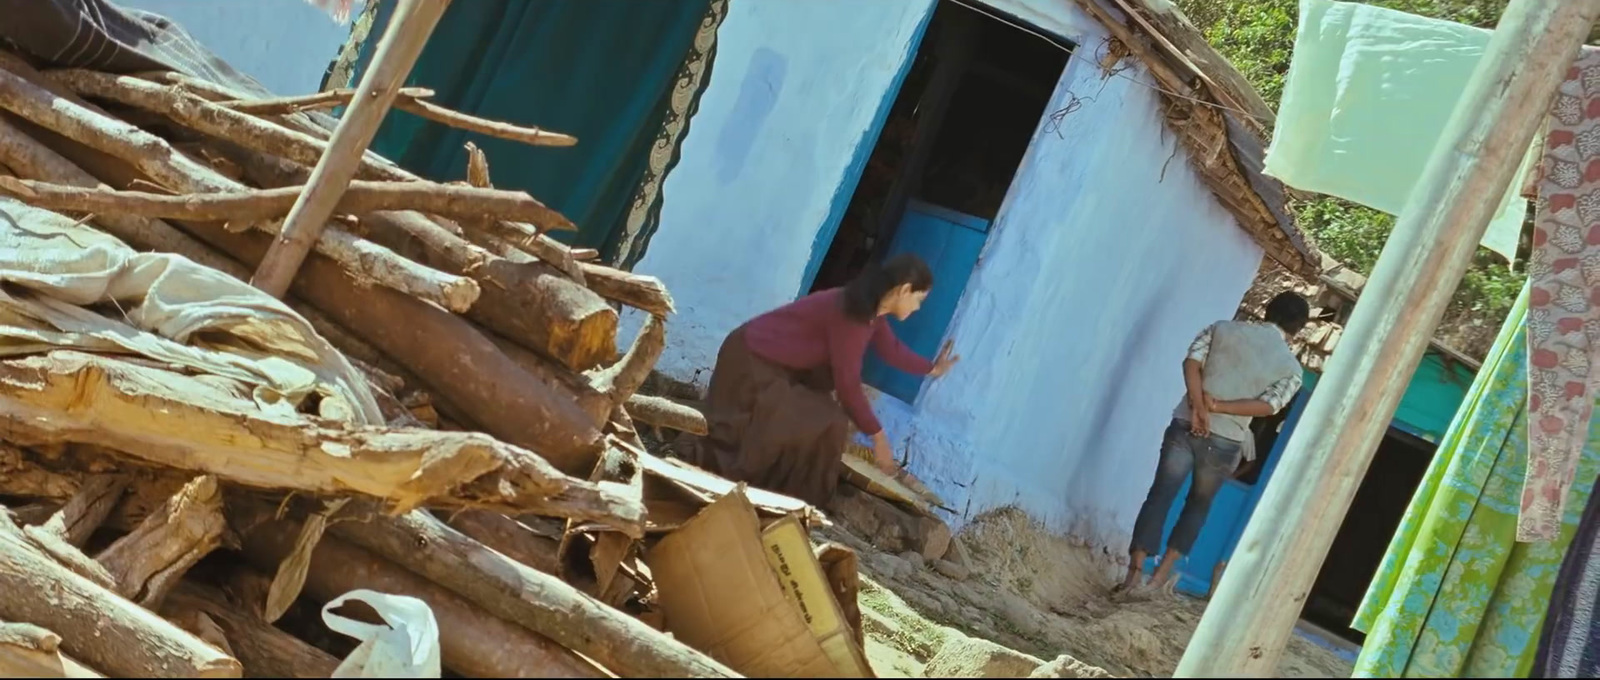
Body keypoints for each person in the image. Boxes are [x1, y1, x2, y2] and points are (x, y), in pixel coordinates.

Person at [681, 254, 960, 506]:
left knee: (829, 420)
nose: (918, 307)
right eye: (918, 299)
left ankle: (792, 500)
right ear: (903, 290)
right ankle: (736, 480)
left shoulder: (872, 314)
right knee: (797, 423)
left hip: (774, 367)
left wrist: (931, 369)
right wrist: (879, 438)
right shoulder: (853, 314)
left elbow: (891, 350)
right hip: (751, 361)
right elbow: (847, 384)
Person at [1116, 291, 1311, 595]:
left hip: (1185, 425)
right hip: (1226, 440)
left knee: (1161, 494)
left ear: (1267, 309)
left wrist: (1198, 405)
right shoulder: (1291, 369)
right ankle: (1158, 581)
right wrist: (1217, 408)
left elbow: (1191, 362)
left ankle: (1133, 575)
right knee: (1198, 505)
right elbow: (1269, 407)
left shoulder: (1221, 328)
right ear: (1299, 327)